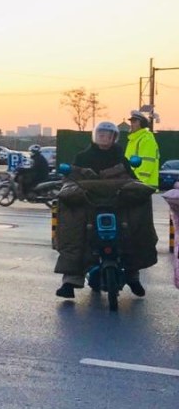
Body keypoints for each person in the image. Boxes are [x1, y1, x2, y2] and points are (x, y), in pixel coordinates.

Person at [54, 121, 156, 299]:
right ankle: (70, 281)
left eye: (107, 135)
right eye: (100, 134)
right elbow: (72, 179)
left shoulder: (121, 157)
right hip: (89, 206)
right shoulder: (83, 157)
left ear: (113, 138)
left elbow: (132, 179)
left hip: (117, 205)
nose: (103, 138)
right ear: (95, 136)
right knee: (74, 230)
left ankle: (133, 277)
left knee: (133, 229)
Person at [125, 110, 160, 188]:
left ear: (142, 124)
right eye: (131, 122)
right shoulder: (133, 140)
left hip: (143, 186)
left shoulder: (146, 139)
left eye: (134, 122)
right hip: (133, 183)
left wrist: (139, 183)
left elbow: (147, 163)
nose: (131, 124)